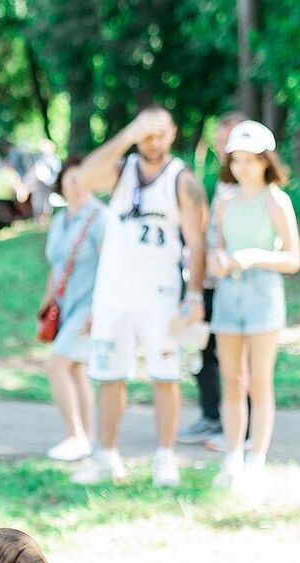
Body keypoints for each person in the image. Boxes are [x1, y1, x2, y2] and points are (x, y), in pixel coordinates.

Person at [67, 106, 208, 487]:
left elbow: (197, 243)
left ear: (173, 133)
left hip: (160, 297)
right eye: (146, 133)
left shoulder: (183, 180)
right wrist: (129, 133)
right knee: (110, 376)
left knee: (165, 377)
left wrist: (194, 294)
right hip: (114, 295)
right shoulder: (121, 170)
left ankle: (165, 458)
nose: (153, 139)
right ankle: (106, 456)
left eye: (160, 132)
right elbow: (84, 177)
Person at [208, 121, 300, 493]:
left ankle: (256, 459)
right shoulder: (224, 199)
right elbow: (216, 240)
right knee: (232, 379)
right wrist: (218, 258)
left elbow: (294, 258)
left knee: (259, 380)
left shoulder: (276, 200)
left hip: (263, 295)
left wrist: (255, 257)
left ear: (265, 161)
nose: (242, 167)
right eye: (236, 160)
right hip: (229, 296)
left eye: (250, 160)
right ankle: (231, 457)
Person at [179, 110, 249, 449]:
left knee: (235, 359)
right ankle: (211, 417)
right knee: (199, 349)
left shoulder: (251, 187)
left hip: (235, 284)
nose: (223, 148)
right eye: (220, 142)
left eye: (230, 141)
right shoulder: (216, 182)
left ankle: (243, 430)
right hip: (206, 281)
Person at [40, 155, 106, 461]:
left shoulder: (99, 218)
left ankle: (74, 435)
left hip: (90, 305)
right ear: (62, 183)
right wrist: (47, 301)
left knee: (57, 365)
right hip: (65, 306)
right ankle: (87, 437)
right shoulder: (60, 219)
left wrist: (99, 310)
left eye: (83, 179)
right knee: (76, 369)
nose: (78, 186)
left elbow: (111, 266)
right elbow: (56, 264)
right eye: (71, 179)